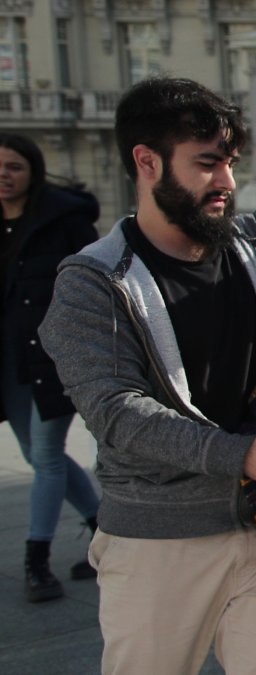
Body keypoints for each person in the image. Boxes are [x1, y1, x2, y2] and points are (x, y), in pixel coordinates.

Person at [39, 77, 256, 673]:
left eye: (229, 163)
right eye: (207, 164)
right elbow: (116, 409)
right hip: (159, 545)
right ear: (146, 161)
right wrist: (242, 454)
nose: (227, 182)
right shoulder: (91, 283)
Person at [0, 133, 102, 602]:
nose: (4, 175)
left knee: (45, 455)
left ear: (33, 171)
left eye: (14, 166)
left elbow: (95, 282)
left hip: (53, 357)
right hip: (8, 361)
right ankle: (106, 531)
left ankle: (37, 559)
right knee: (40, 457)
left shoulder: (64, 218)